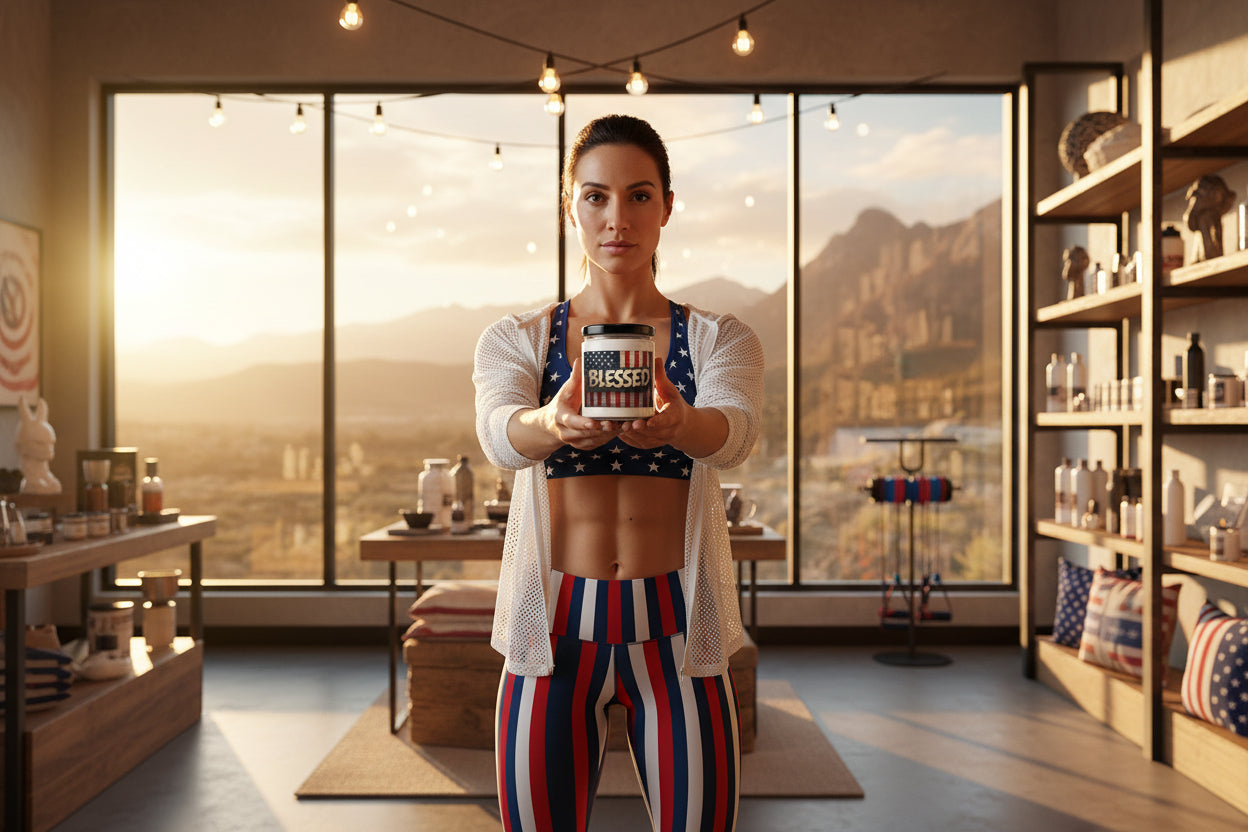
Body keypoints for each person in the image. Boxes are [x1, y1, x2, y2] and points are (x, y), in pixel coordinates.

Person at [473, 114, 764, 832]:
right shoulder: (518, 339)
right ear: (569, 206)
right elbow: (499, 435)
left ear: (667, 206)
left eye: (639, 196)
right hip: (554, 634)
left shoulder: (718, 338)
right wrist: (552, 422)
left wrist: (681, 425)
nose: (617, 219)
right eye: (595, 196)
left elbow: (734, 436)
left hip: (676, 636)